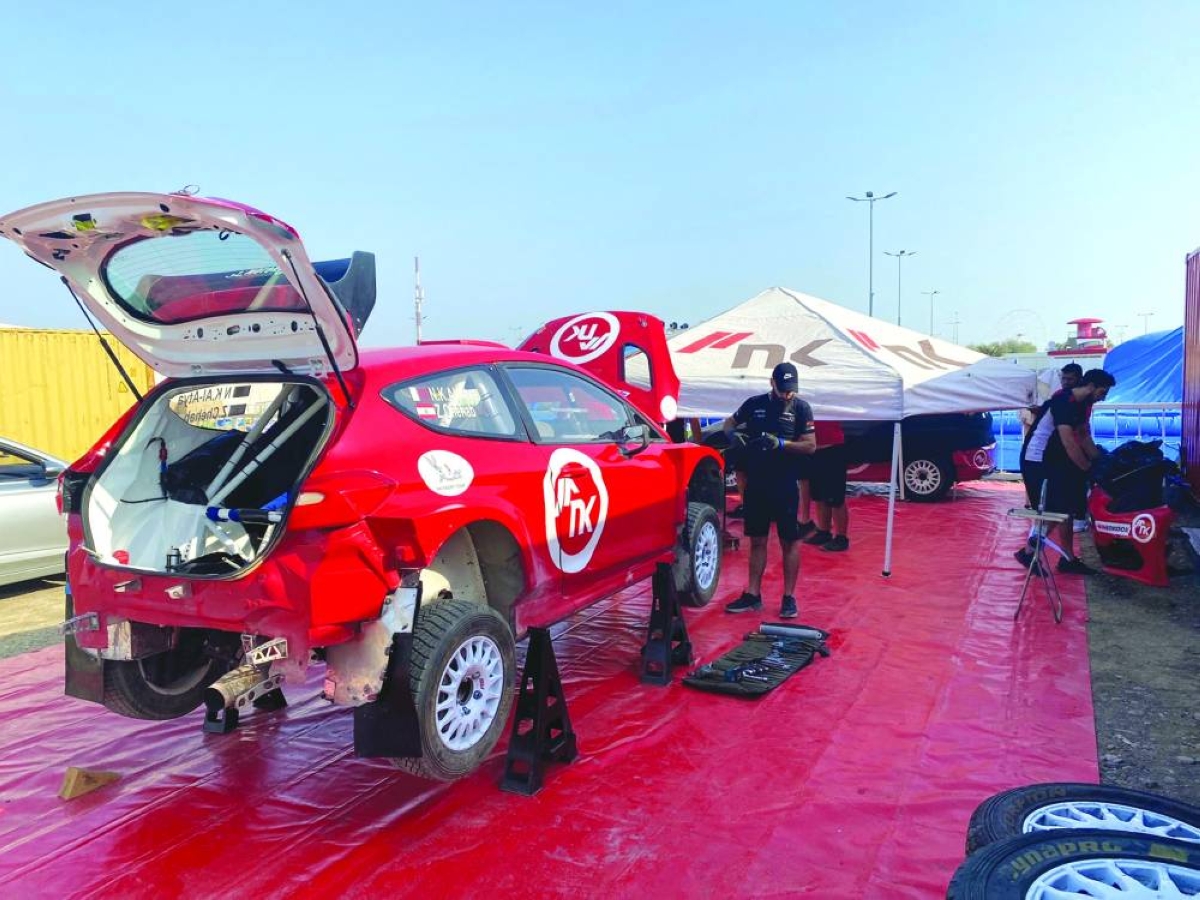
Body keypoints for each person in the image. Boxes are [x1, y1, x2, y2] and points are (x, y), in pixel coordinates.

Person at [721, 362, 816, 618]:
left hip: (785, 484)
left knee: (789, 541)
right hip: (757, 483)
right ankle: (753, 594)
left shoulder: (801, 408)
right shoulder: (754, 403)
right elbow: (728, 424)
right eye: (783, 389)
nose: (787, 394)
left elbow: (810, 445)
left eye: (791, 390)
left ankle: (789, 597)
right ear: (771, 383)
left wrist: (782, 444)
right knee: (757, 540)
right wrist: (733, 437)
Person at [1015, 368, 1116, 575]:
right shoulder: (1065, 401)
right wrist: (1088, 469)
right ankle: (1029, 552)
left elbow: (1083, 436)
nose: (1102, 398)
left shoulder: (1082, 404)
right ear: (1091, 386)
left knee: (1066, 508)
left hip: (1052, 459)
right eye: (1102, 393)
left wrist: (1100, 460)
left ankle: (1068, 559)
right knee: (1055, 510)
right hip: (1036, 459)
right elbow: (1069, 442)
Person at [802, 421, 849, 551]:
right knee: (819, 494)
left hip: (832, 448)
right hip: (814, 450)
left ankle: (841, 537)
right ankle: (824, 531)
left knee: (835, 496)